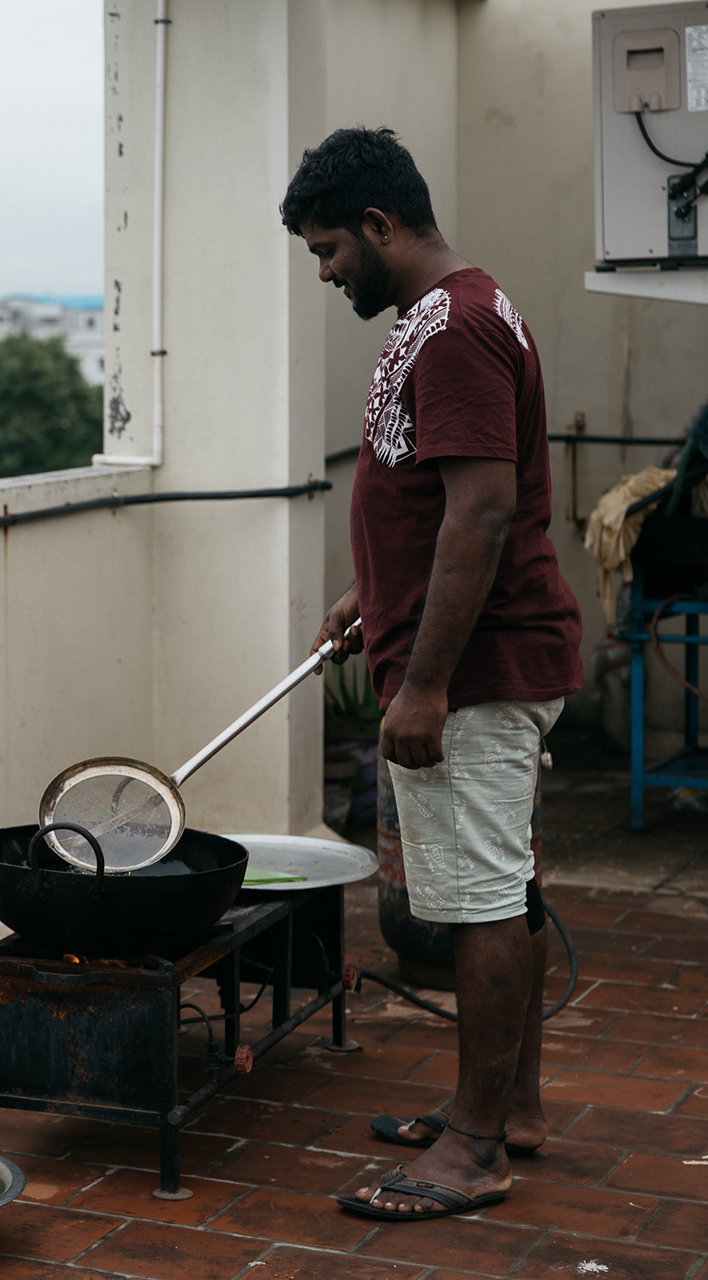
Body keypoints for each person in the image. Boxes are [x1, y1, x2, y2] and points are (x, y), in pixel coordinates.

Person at [281, 129, 583, 1221]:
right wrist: (379, 592)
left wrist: (424, 683)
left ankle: (473, 1146)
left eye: (328, 250)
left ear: (378, 225)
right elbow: (432, 494)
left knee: (480, 901)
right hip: (470, 653)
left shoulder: (452, 327)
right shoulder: (453, 312)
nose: (324, 273)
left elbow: (486, 505)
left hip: (477, 671)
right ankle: (512, 1108)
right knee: (502, 885)